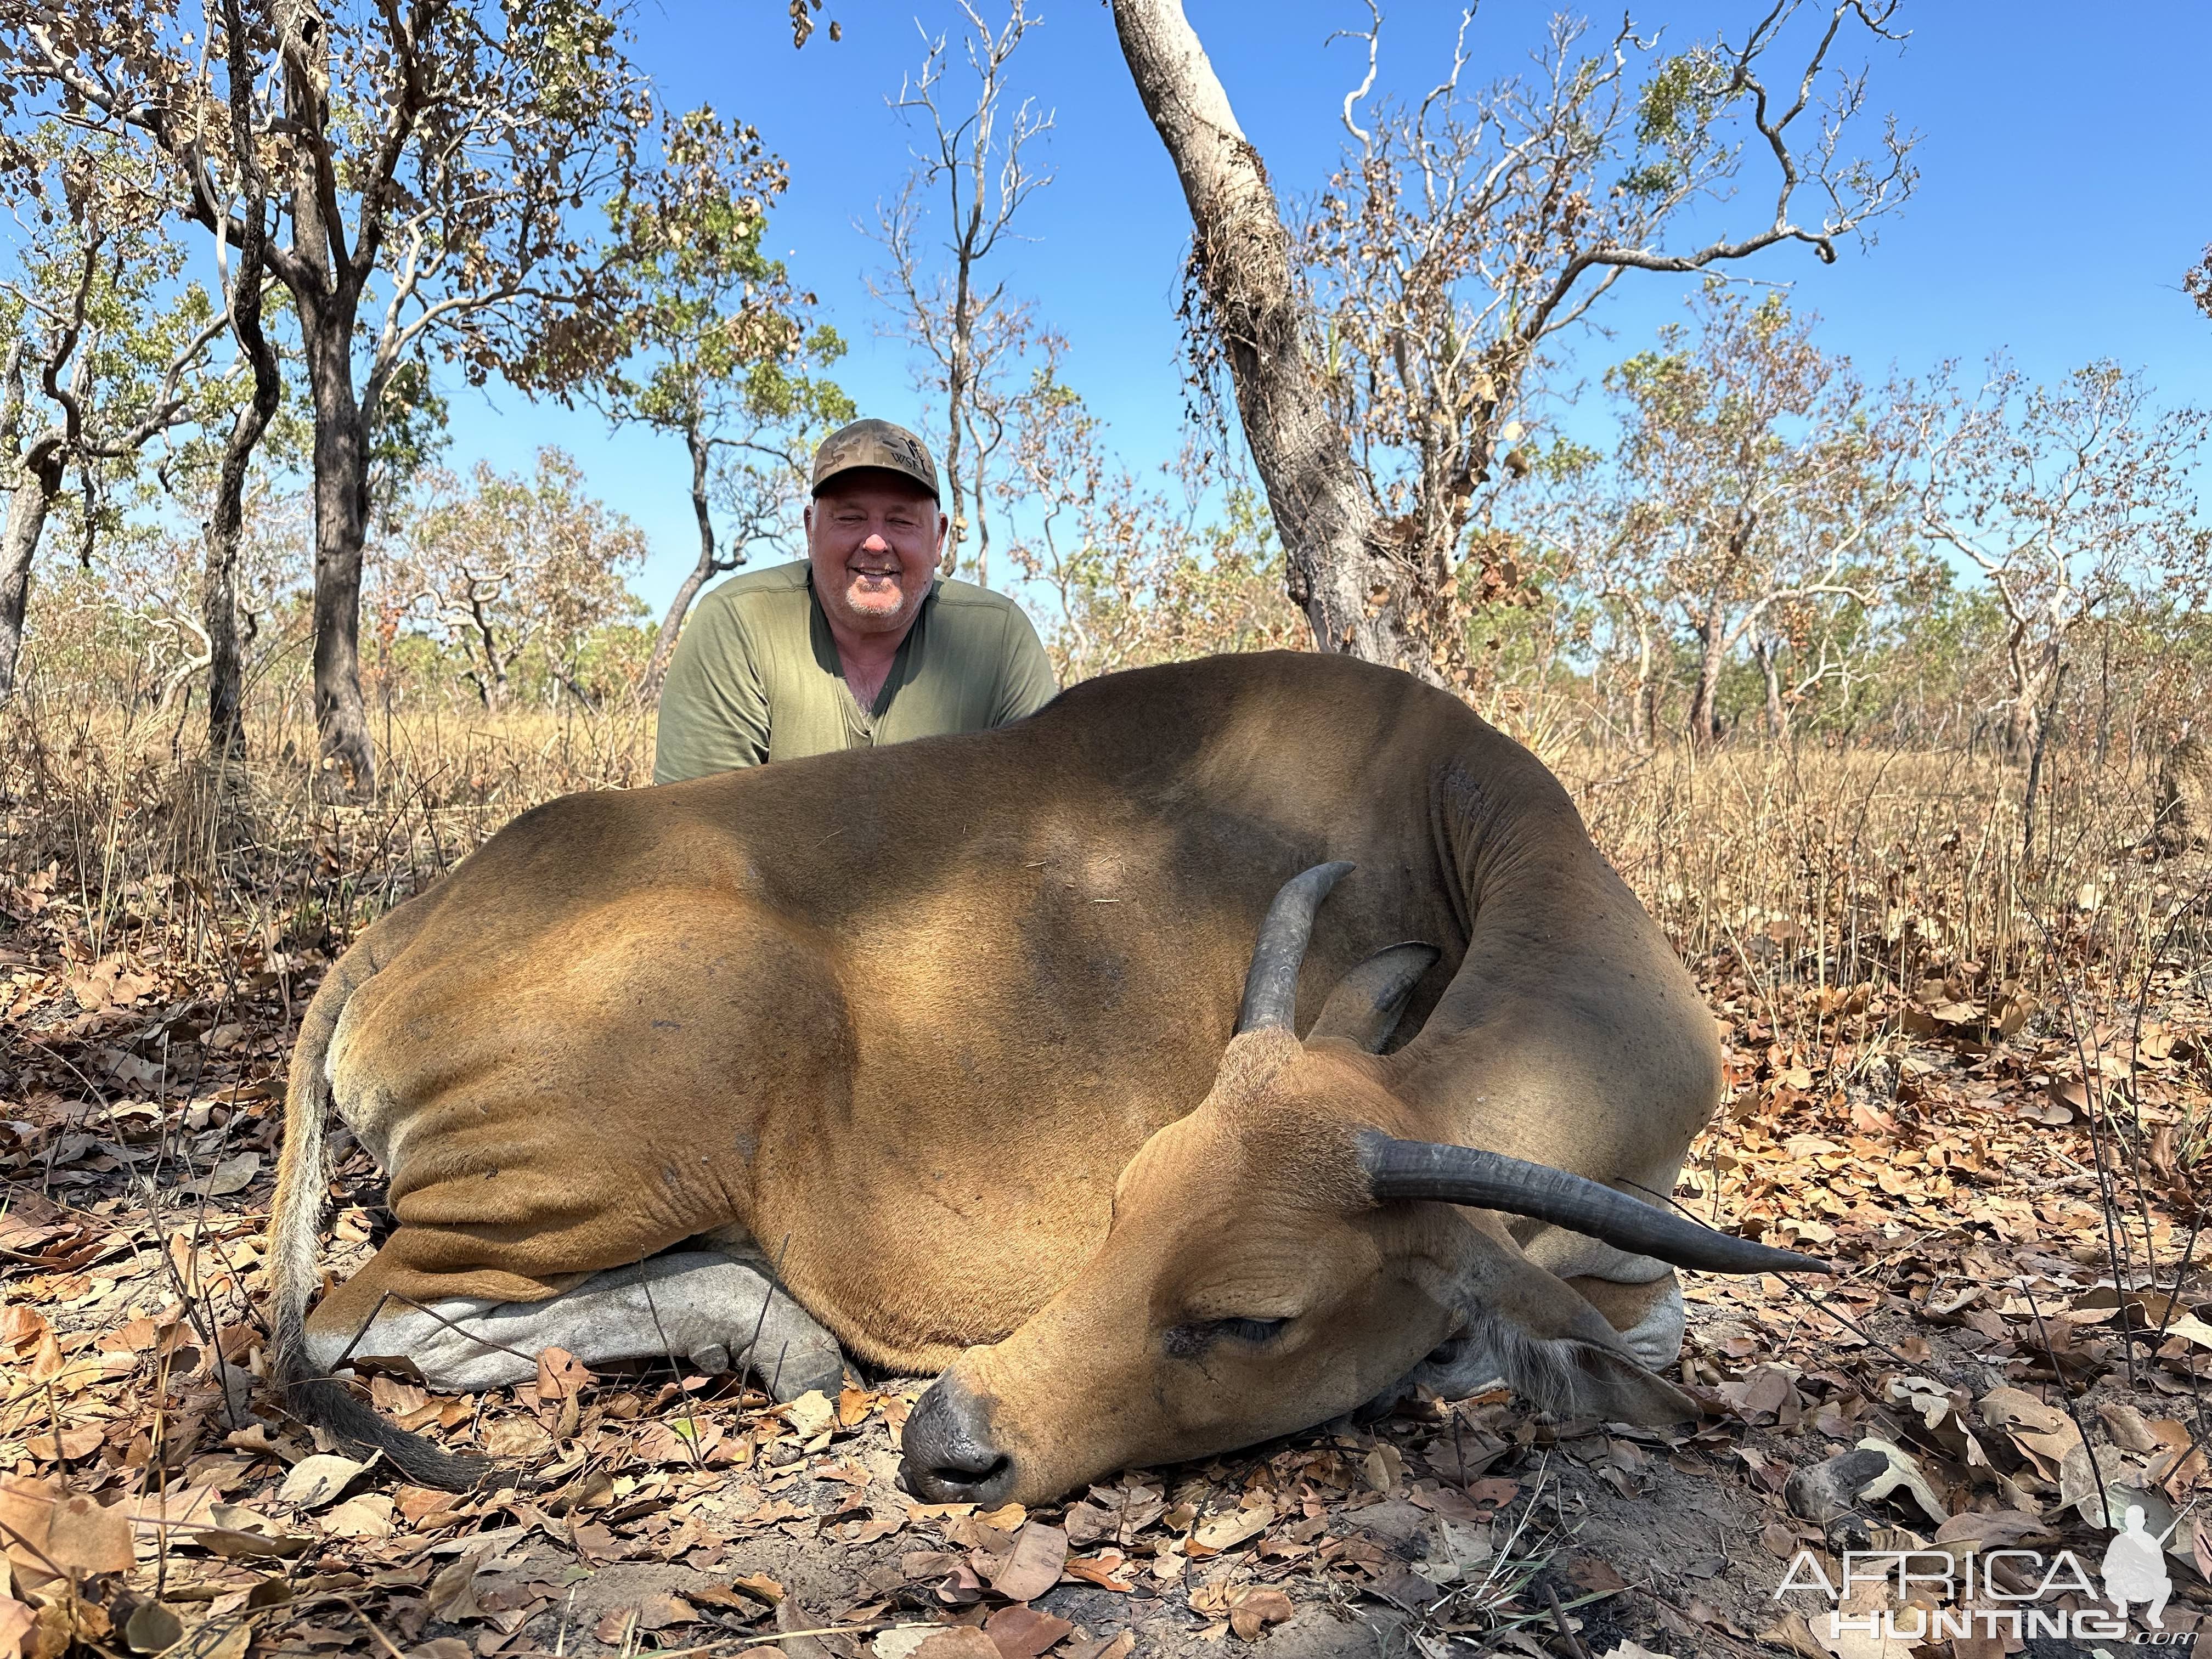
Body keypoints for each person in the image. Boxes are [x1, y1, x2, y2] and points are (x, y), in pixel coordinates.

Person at [653, 419, 1058, 782]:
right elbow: (694, 836)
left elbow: (1039, 824)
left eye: (901, 521)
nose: (876, 542)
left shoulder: (1000, 639)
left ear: (938, 538)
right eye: (850, 518)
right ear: (812, 529)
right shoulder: (737, 623)